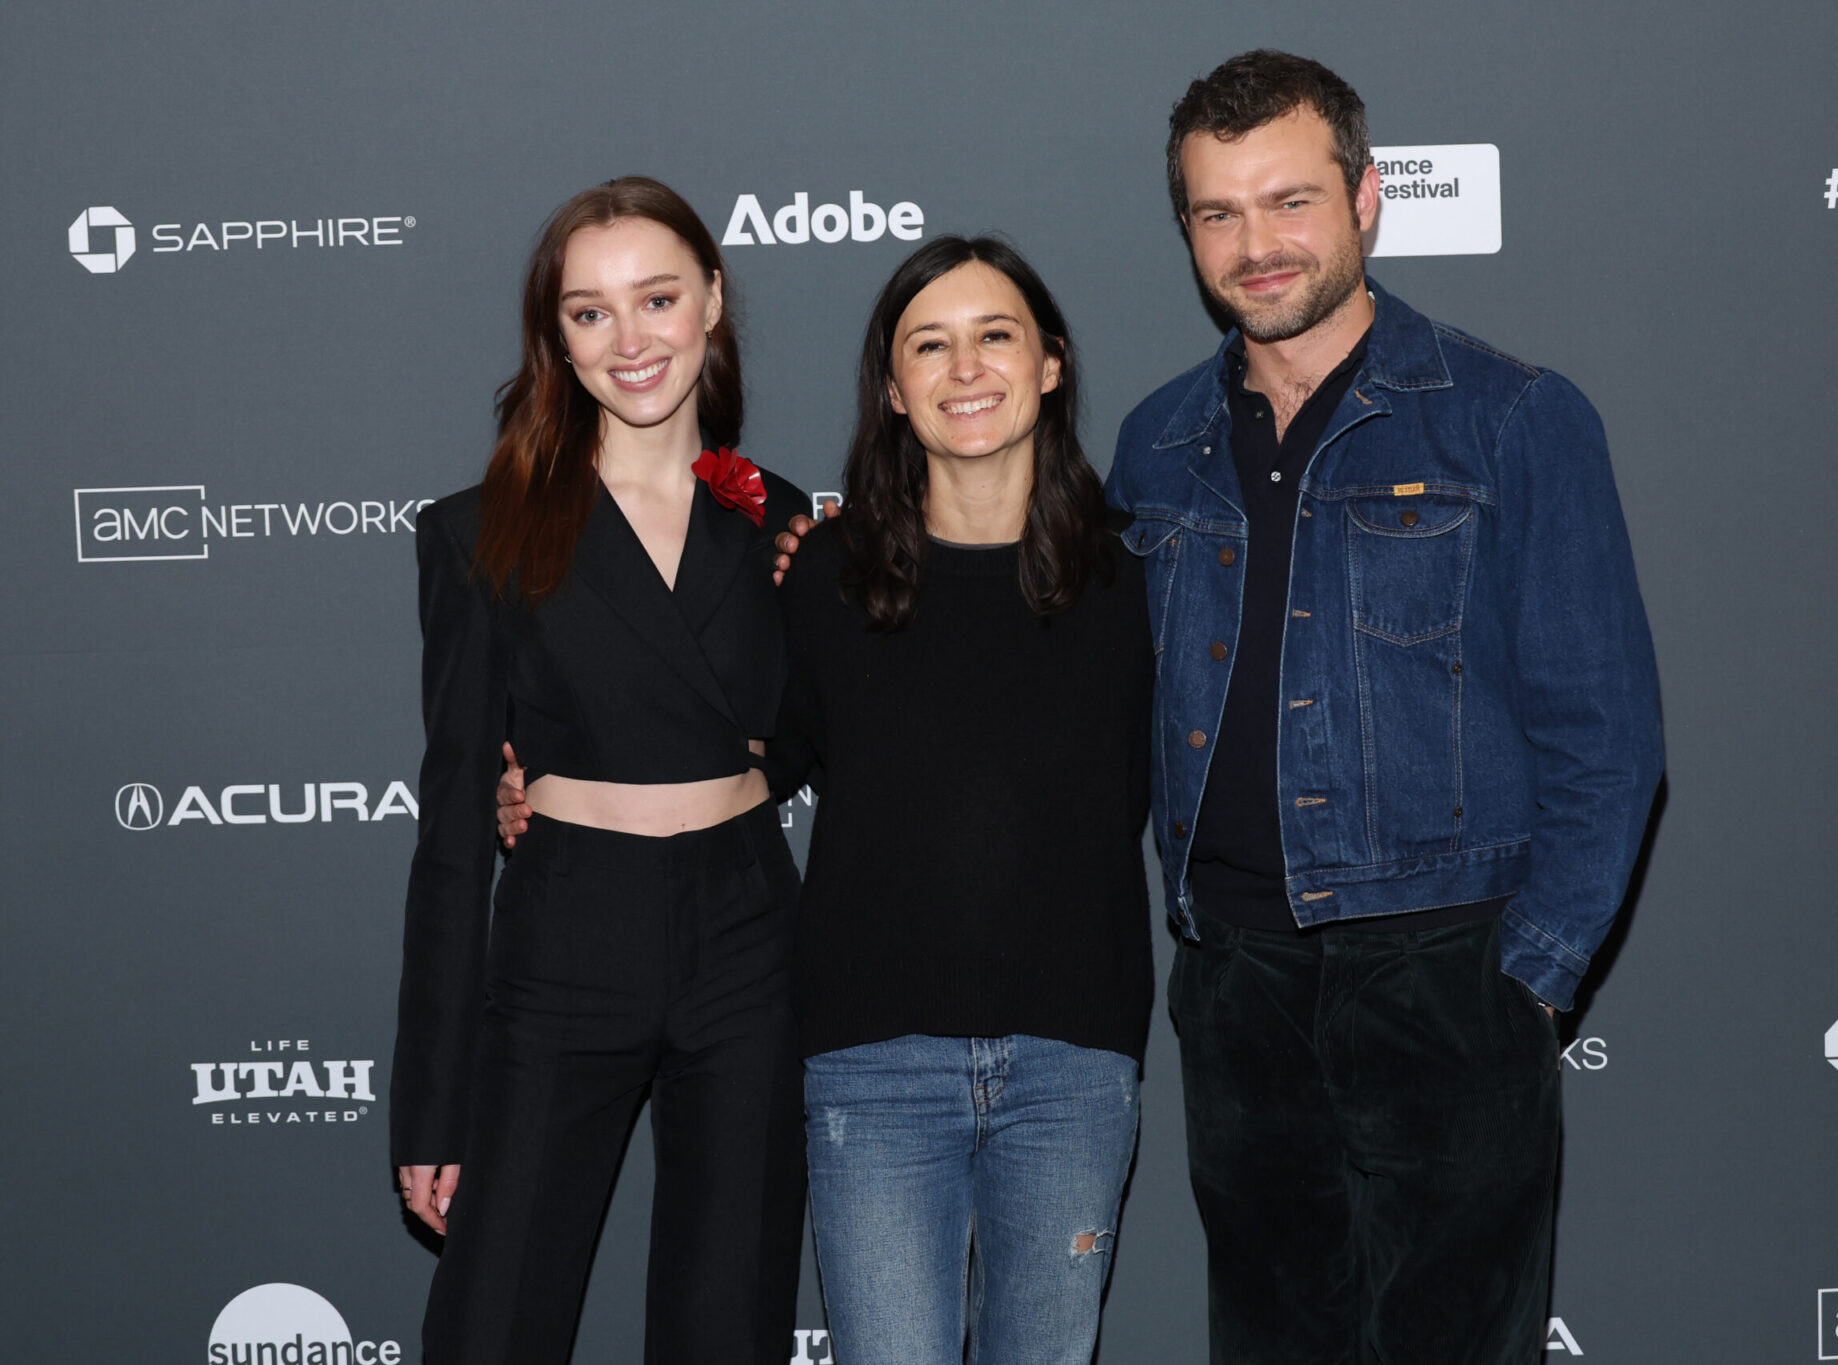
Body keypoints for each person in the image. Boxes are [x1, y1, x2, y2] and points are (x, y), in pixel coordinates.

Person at [1103, 51, 1664, 1364]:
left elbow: (1609, 733)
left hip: (1446, 974)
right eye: (1218, 213)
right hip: (1236, 984)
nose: (1257, 245)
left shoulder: (1510, 417)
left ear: (1366, 201)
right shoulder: (1156, 444)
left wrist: (1526, 982)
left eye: (1290, 201)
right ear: (1186, 229)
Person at [506, 236, 1155, 1365]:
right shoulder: (819, 573)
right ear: (893, 389)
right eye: (929, 345)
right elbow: (745, 749)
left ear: (1049, 364)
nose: (965, 369)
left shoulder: (1133, 581)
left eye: (994, 335)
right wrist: (553, 784)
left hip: (1073, 1061)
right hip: (872, 1062)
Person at [390, 176, 810, 1365]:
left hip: (746, 934)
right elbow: (453, 831)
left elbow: (818, 732)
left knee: (728, 1323)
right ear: (555, 336)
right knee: (492, 1325)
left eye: (658, 298)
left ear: (712, 302)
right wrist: (428, 1106)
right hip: (568, 930)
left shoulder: (775, 516)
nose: (630, 342)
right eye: (589, 312)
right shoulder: (483, 528)